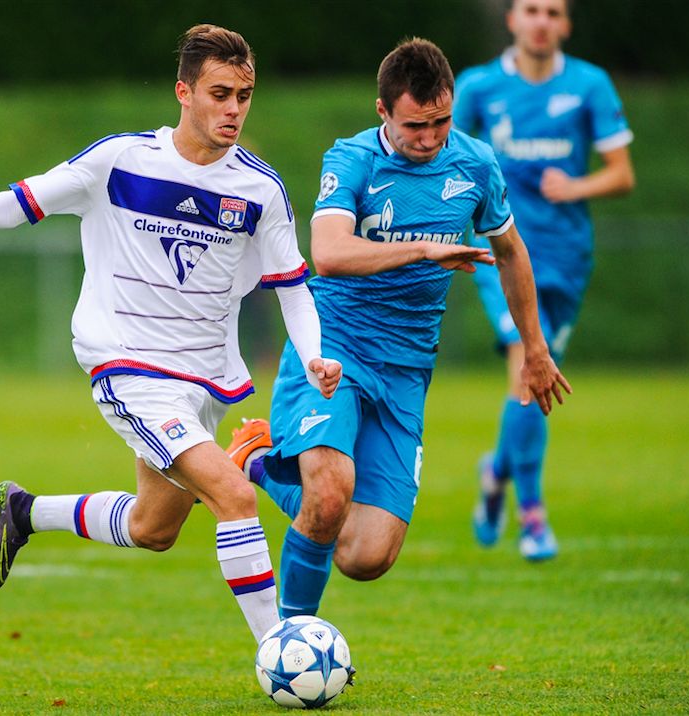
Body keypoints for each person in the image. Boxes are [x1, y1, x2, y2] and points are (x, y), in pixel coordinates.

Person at [0, 24, 342, 644]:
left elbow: (292, 286)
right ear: (183, 92)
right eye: (220, 94)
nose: (234, 109)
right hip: (129, 366)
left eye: (244, 96)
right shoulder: (120, 160)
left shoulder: (259, 188)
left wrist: (315, 356)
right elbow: (29, 199)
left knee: (153, 528)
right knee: (234, 496)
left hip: (203, 377)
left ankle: (25, 512)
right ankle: (279, 649)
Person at [226, 37, 570, 619]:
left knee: (366, 555)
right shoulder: (352, 160)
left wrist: (535, 349)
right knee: (329, 491)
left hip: (407, 367)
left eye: (441, 122)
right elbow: (329, 252)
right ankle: (289, 643)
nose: (430, 138)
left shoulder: (475, 164)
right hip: (334, 346)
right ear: (383, 111)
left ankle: (259, 459)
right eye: (415, 125)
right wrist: (423, 250)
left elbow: (511, 251)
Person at [454, 0, 634, 560]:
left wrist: (576, 187)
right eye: (531, 10)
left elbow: (622, 174)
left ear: (565, 25)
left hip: (565, 256)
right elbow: (445, 160)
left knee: (539, 372)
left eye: (552, 12)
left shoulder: (589, 84)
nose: (541, 21)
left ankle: (496, 471)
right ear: (512, 20)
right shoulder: (479, 86)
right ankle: (533, 516)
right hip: (503, 251)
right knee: (526, 361)